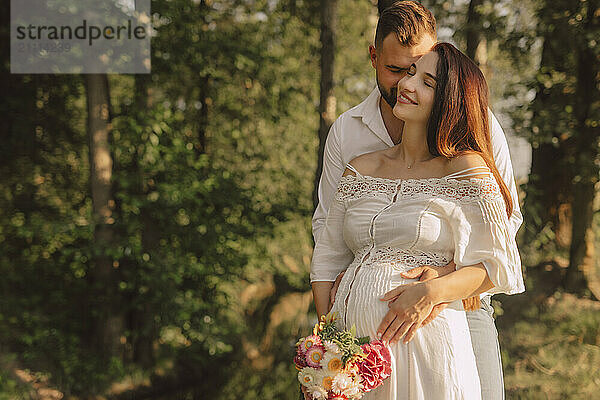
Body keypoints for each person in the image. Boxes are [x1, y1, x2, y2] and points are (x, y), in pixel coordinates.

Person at [311, 2, 522, 399]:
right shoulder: (350, 138)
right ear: (375, 58)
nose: (405, 85)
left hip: (451, 313)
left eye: (425, 77)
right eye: (402, 71)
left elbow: (502, 236)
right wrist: (329, 340)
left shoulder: (475, 140)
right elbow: (327, 232)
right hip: (354, 342)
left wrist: (440, 284)